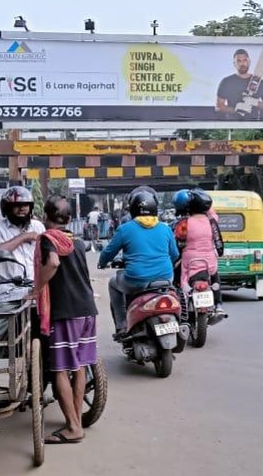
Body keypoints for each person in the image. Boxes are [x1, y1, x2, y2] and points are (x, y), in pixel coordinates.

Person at [33, 197, 97, 445]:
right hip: (87, 310)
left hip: (66, 312)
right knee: (79, 366)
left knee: (59, 369)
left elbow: (52, 263)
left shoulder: (50, 239)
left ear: (45, 216)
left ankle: (73, 427)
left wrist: (37, 288)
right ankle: (75, 420)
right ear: (70, 219)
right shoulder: (78, 241)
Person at [97, 187, 179, 338]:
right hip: (165, 278)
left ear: (133, 210)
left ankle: (121, 325)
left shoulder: (125, 229)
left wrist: (102, 263)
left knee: (113, 283)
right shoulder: (165, 228)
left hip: (136, 281)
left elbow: (108, 252)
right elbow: (175, 255)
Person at [0, 186, 45, 360]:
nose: (22, 208)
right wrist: (23, 237)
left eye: (25, 204)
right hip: (7, 293)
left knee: (59, 326)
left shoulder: (39, 227)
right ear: (6, 209)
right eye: (16, 205)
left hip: (37, 290)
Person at [173, 189, 226, 316]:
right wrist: (219, 252)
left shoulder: (184, 223)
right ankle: (218, 304)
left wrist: (176, 258)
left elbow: (178, 241)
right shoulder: (212, 221)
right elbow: (218, 240)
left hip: (189, 260)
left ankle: (180, 303)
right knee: (214, 276)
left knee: (178, 278)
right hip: (210, 260)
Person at [216, 48, 263, 118]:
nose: (242, 64)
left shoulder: (258, 81)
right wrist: (236, 109)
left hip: (254, 124)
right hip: (232, 124)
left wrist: (255, 102)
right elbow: (219, 107)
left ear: (249, 62)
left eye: (245, 60)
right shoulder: (226, 81)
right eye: (239, 61)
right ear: (234, 63)